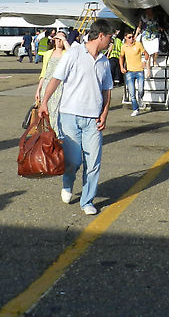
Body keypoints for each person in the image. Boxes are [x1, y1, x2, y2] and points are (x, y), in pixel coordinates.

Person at [38, 18, 113, 215]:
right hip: (69, 115)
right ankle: (68, 182)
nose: (110, 42)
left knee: (93, 162)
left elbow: (107, 90)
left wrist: (104, 113)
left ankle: (87, 201)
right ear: (101, 36)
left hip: (93, 120)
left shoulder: (104, 61)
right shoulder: (74, 53)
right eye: (110, 37)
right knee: (73, 161)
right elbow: (55, 79)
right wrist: (44, 101)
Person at [34, 30, 69, 125]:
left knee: (56, 113)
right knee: (46, 114)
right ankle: (49, 137)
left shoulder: (66, 53)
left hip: (60, 87)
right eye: (57, 38)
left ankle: (57, 135)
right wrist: (38, 90)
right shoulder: (48, 53)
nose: (59, 41)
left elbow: (72, 56)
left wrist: (65, 42)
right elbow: (43, 73)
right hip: (46, 86)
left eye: (61, 39)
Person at [120, 31, 147, 116]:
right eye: (129, 37)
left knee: (140, 89)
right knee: (132, 93)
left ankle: (140, 98)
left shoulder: (138, 44)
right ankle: (135, 109)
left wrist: (144, 61)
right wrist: (121, 67)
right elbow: (121, 57)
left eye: (132, 37)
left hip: (139, 71)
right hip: (129, 72)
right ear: (125, 38)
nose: (131, 39)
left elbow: (145, 54)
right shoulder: (124, 47)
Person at [135, 8, 161, 76]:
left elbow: (157, 25)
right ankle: (148, 70)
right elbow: (139, 27)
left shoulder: (155, 16)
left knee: (156, 51)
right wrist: (135, 35)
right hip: (146, 36)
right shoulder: (143, 17)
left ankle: (154, 60)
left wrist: (160, 28)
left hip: (154, 35)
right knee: (148, 54)